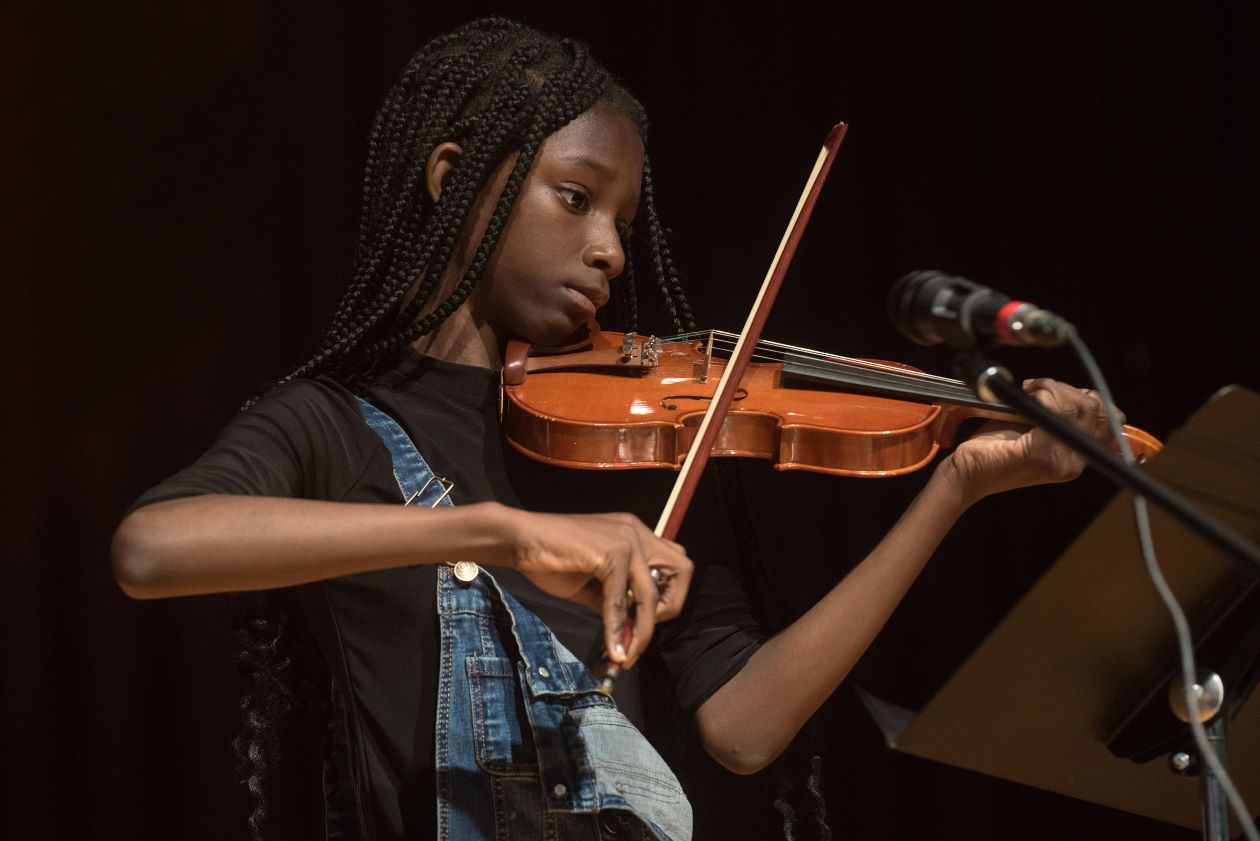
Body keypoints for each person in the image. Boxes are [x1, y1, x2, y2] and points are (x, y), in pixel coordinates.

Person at [110, 17, 1122, 841]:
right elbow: (153, 547)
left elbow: (743, 728)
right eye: (576, 199)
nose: (606, 251)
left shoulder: (638, 450)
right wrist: (495, 532)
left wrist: (954, 489)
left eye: (623, 223)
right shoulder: (334, 424)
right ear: (454, 178)